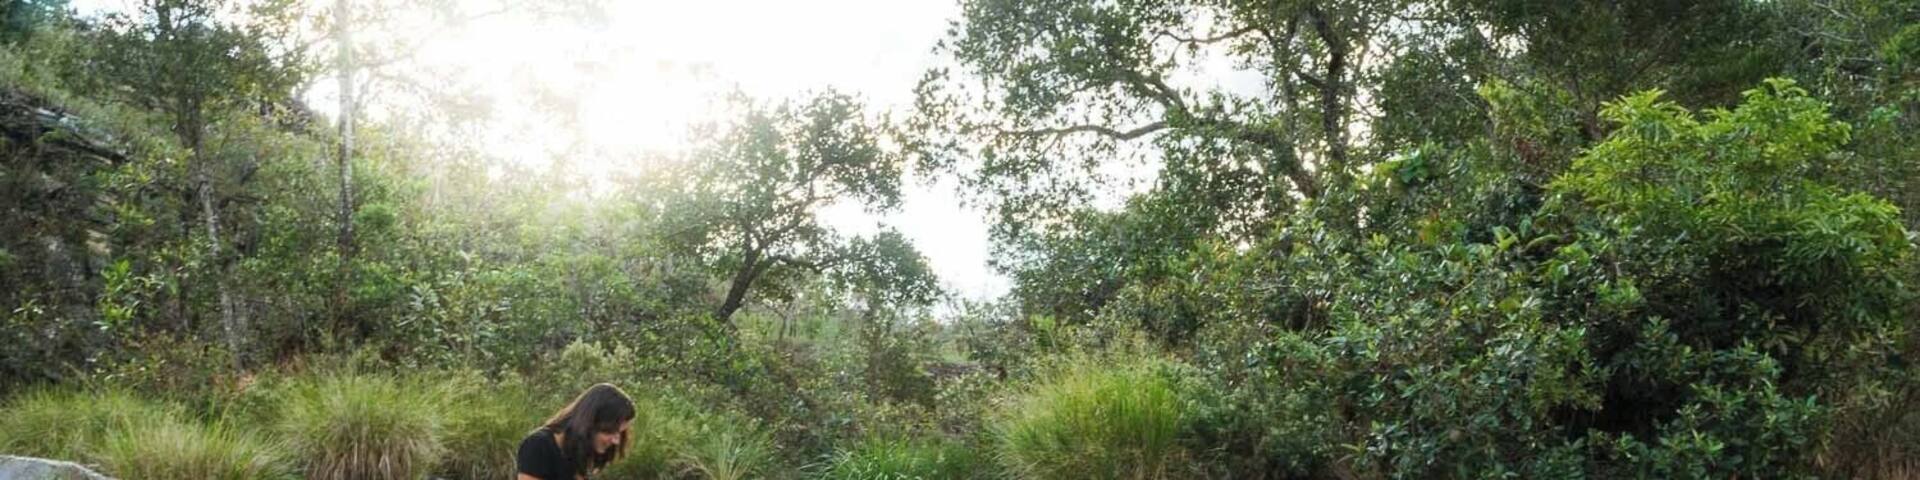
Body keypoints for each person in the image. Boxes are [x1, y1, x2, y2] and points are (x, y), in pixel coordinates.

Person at [517, 383, 636, 480]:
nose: (616, 441)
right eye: (610, 431)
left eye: (620, 433)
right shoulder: (538, 446)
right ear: (591, 423)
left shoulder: (579, 454)